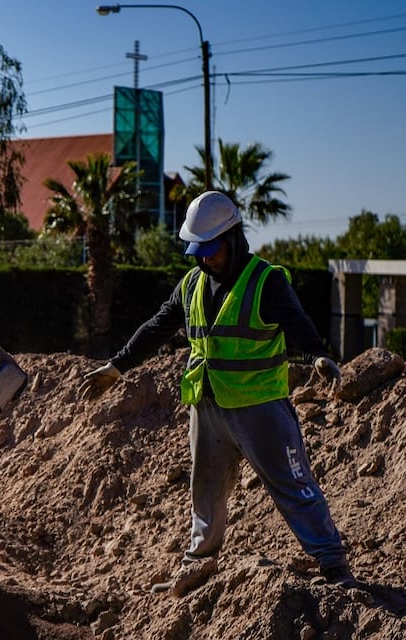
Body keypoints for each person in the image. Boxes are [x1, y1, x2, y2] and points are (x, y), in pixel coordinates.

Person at [79, 190, 354, 597]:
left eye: (212, 251)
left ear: (234, 239)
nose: (206, 259)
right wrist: (117, 367)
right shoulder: (191, 284)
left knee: (292, 486)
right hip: (207, 407)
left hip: (259, 408)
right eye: (199, 251)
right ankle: (198, 564)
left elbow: (297, 322)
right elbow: (157, 326)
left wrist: (317, 355)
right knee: (205, 489)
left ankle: (333, 565)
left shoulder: (266, 280)